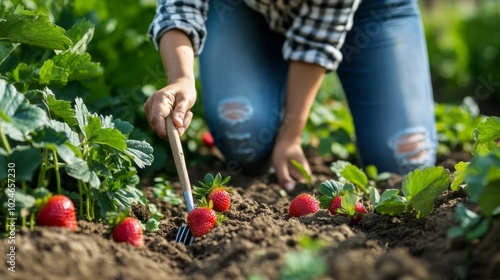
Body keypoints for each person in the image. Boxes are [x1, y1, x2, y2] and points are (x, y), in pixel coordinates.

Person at [144, 0, 438, 191]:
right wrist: (181, 78)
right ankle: (257, 58)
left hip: (372, 11)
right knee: (243, 133)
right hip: (243, 10)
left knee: (406, 160)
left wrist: (290, 136)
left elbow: (315, 41)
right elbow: (179, 6)